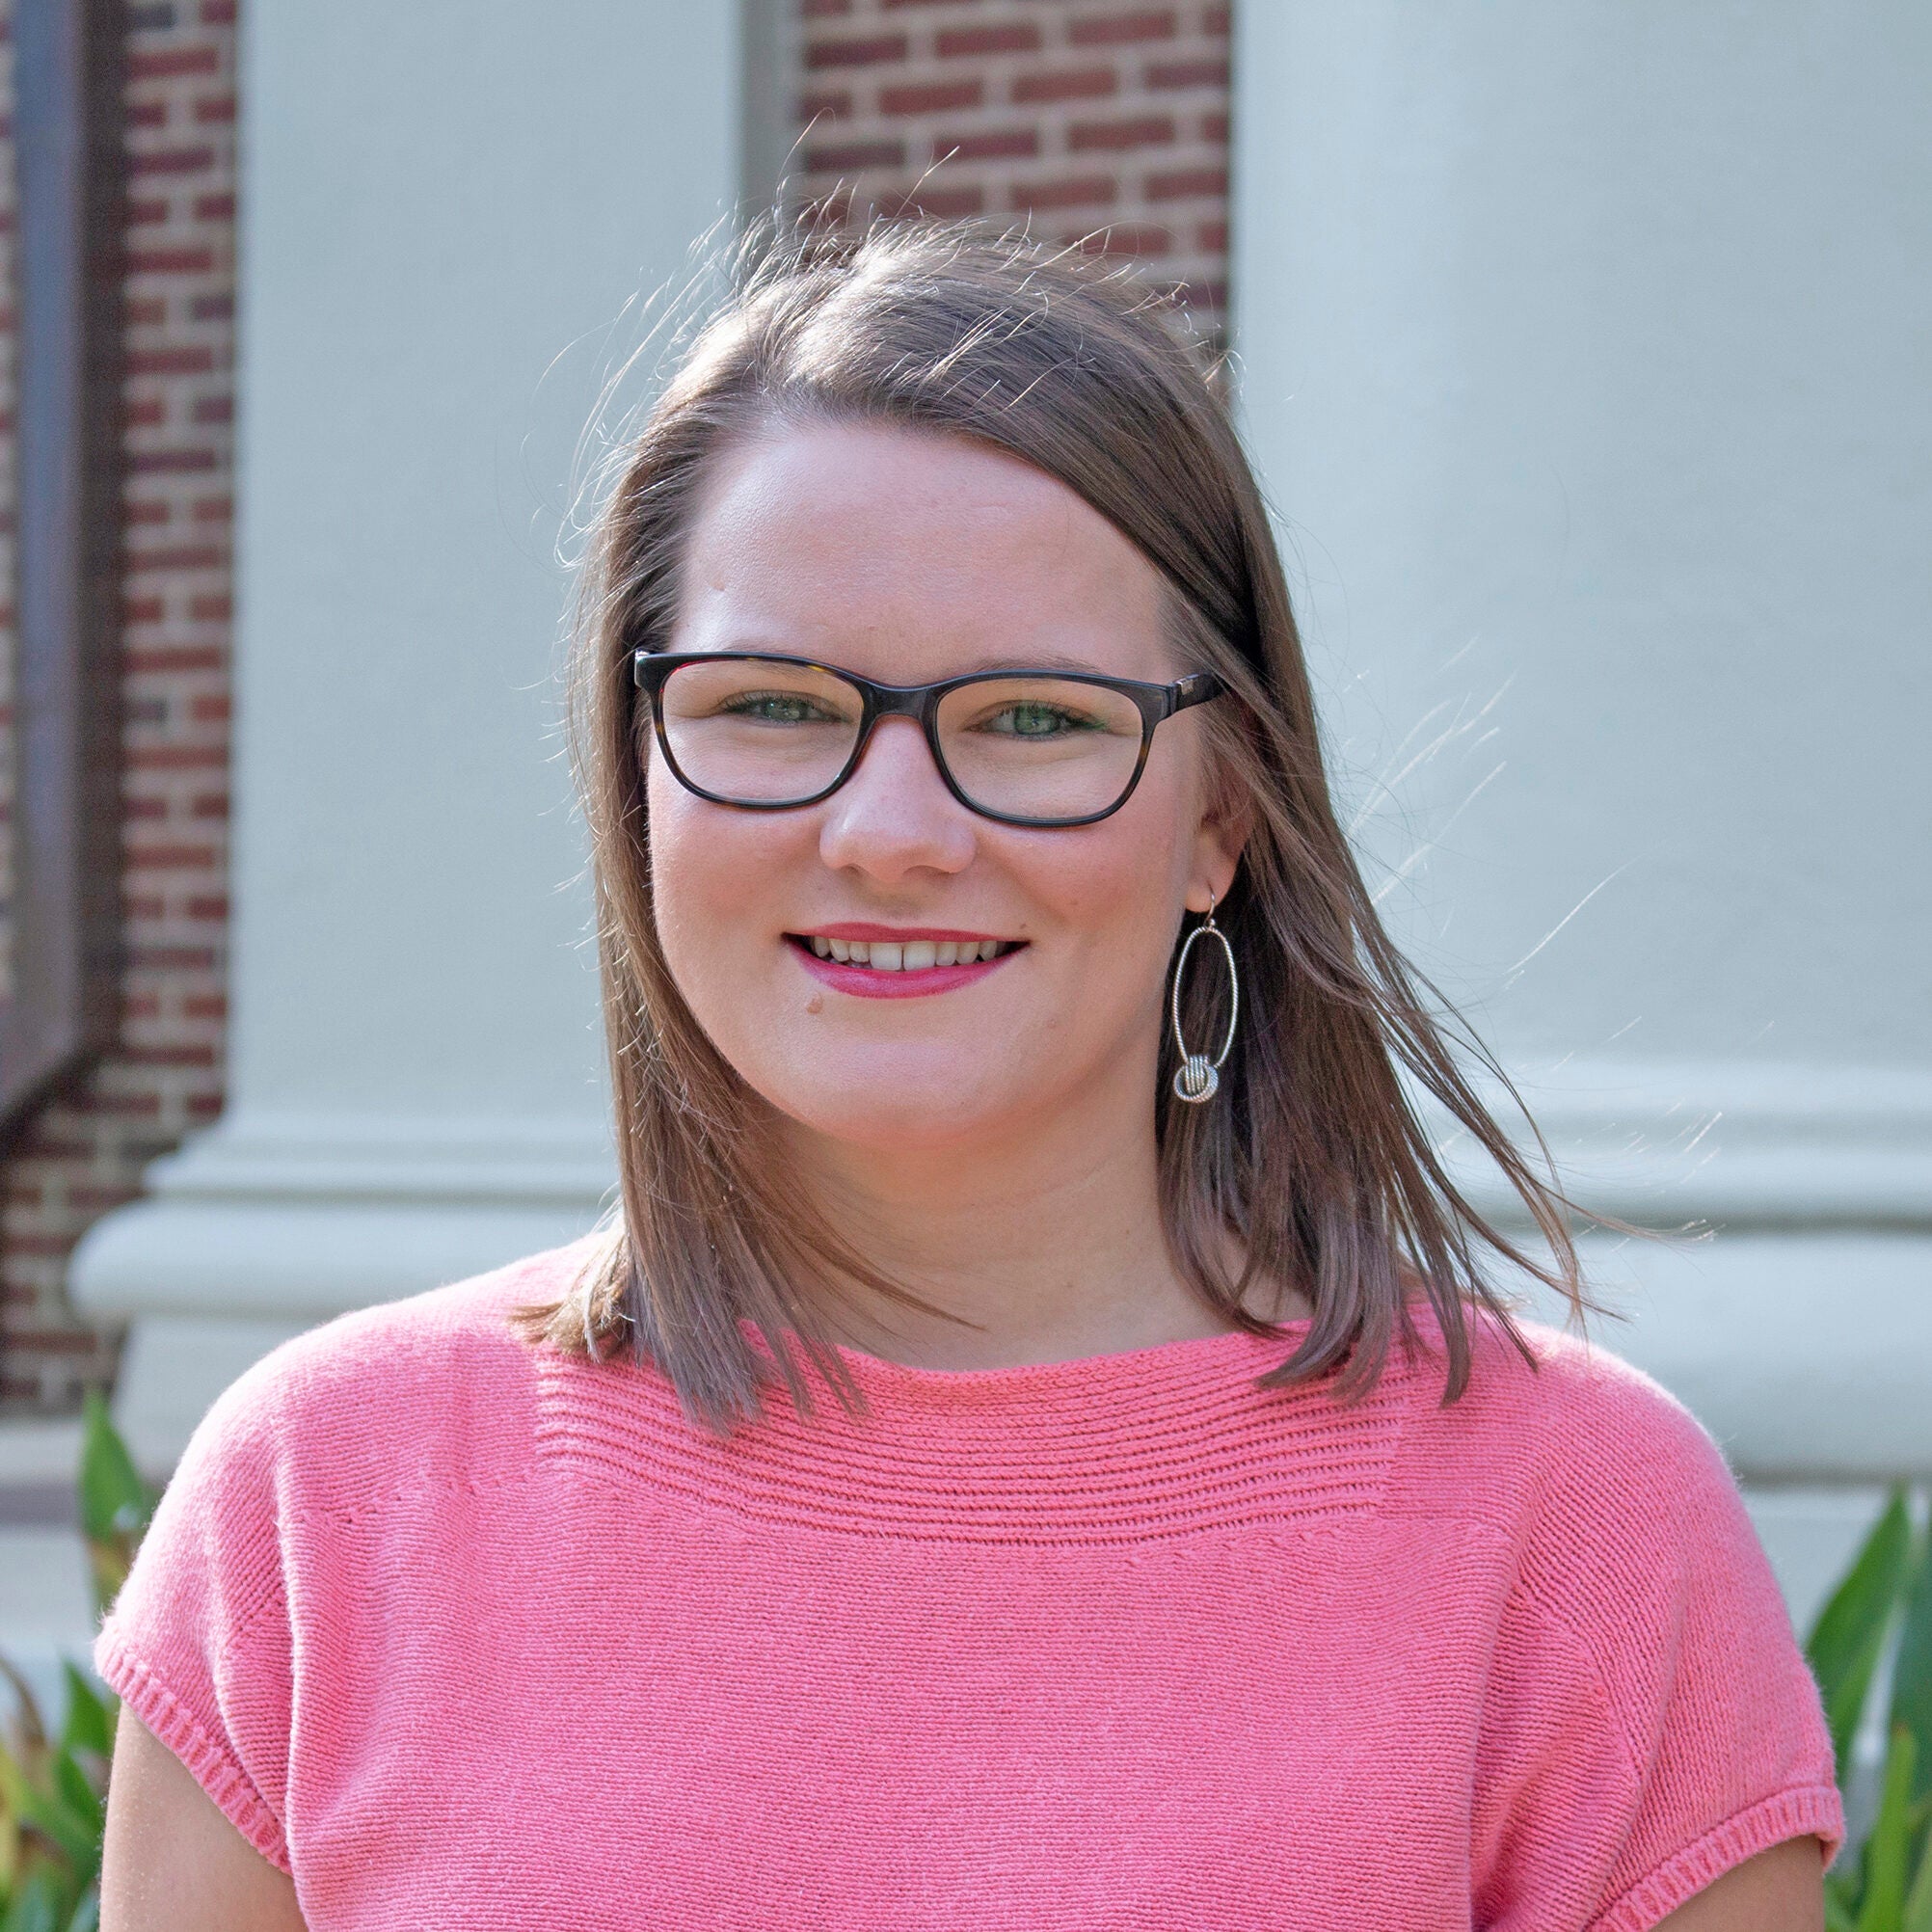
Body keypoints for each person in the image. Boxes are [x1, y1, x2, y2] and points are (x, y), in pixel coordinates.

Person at [95, 225, 1840, 1930]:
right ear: (641, 778)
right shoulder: (320, 1506)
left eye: (1034, 720)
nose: (890, 834)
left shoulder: (1577, 1530)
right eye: (773, 704)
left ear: (1221, 816)